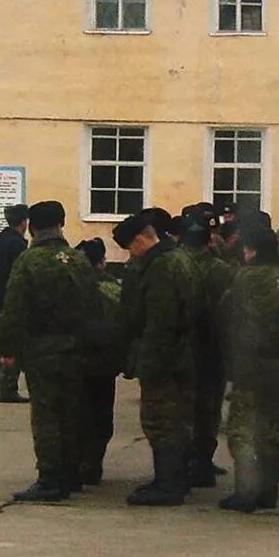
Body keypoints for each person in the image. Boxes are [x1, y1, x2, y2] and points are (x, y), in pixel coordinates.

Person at [0, 202, 93, 500]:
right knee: (72, 411)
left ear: (32, 227)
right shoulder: (78, 260)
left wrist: (8, 350)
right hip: (77, 349)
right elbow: (94, 304)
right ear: (62, 223)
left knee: (47, 415)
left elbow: (15, 309)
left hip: (42, 350)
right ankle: (72, 472)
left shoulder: (28, 262)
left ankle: (50, 478)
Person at [116, 207, 203, 505]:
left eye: (131, 247)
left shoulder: (162, 267)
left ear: (142, 238)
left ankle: (168, 485)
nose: (131, 254)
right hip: (182, 355)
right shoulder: (178, 257)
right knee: (177, 419)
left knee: (161, 420)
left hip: (166, 358)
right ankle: (174, 479)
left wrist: (148, 362)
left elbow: (160, 320)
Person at [215, 219, 279, 511]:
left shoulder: (247, 278)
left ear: (250, 250)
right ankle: (268, 489)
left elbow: (229, 314)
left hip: (250, 363)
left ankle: (246, 491)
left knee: (243, 430)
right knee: (270, 428)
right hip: (277, 363)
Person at [182, 204, 234, 488]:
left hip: (188, 347)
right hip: (215, 348)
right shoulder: (222, 268)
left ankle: (188, 461)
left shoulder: (178, 265)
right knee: (209, 409)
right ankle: (202, 461)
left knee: (187, 408)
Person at [77, 238, 123, 485]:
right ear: (102, 262)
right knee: (101, 415)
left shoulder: (71, 286)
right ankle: (93, 464)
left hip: (76, 360)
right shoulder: (112, 287)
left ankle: (77, 464)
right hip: (105, 362)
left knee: (77, 414)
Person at [0, 202, 31, 402]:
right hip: (10, 302)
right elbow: (22, 274)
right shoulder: (19, 244)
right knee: (12, 345)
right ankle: (8, 388)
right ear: (23, 222)